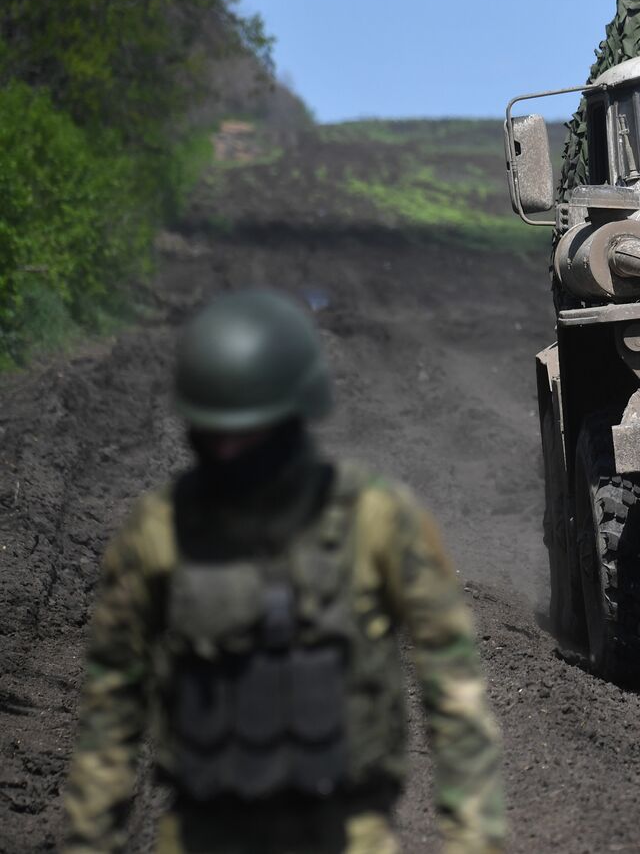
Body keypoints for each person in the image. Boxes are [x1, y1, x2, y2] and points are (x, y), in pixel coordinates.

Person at [61, 289, 505, 854]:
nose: (228, 452)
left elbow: (456, 697)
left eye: (248, 433)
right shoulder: (156, 533)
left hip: (348, 833)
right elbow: (109, 710)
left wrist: (474, 842)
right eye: (214, 432)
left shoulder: (377, 521)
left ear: (294, 416)